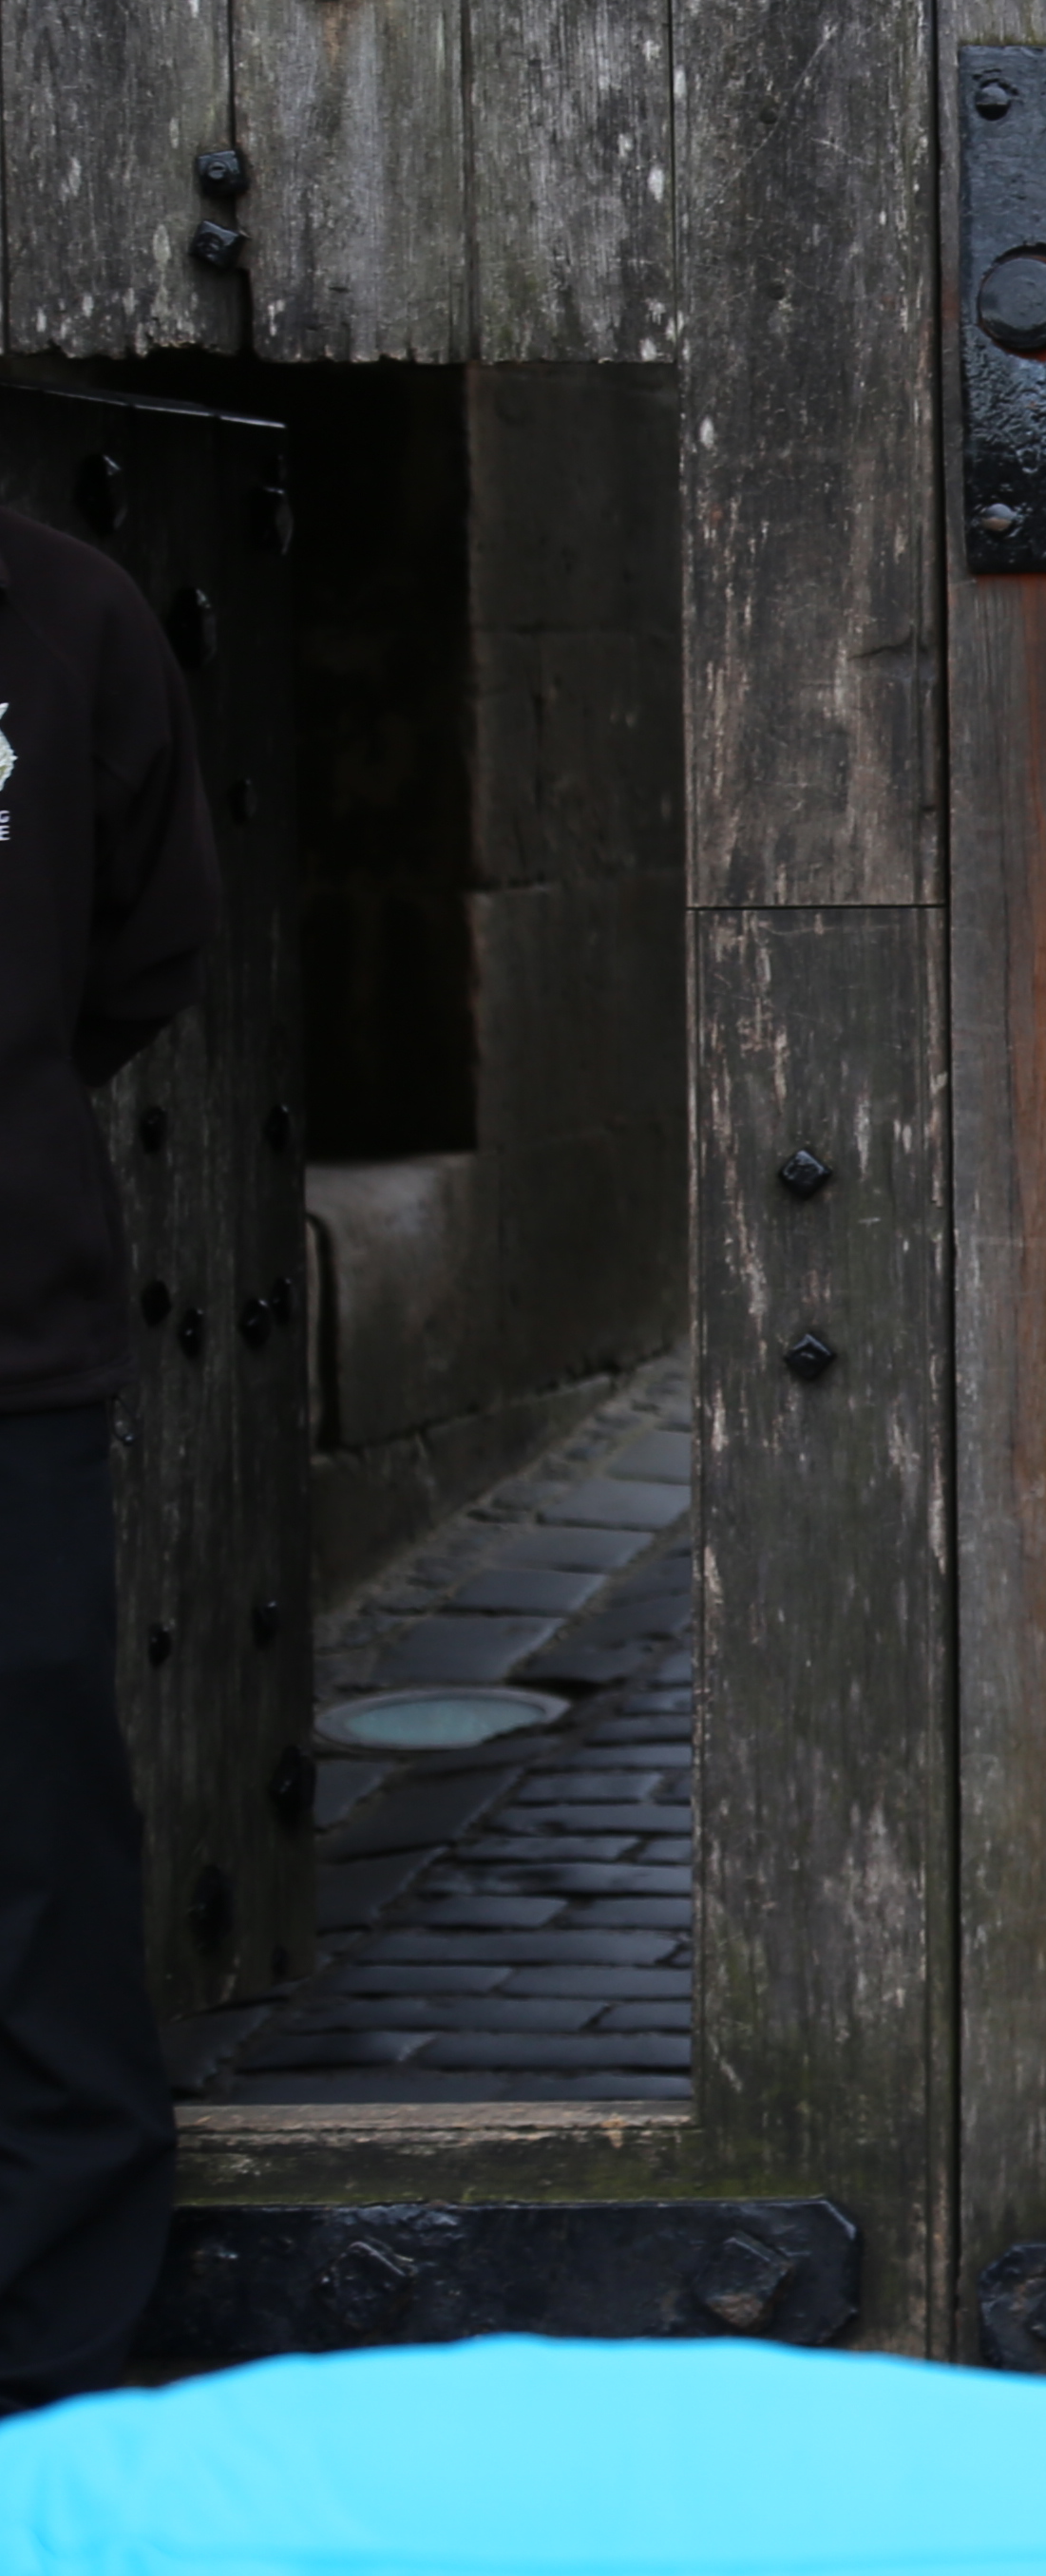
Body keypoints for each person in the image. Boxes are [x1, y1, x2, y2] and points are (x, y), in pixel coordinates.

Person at [0, 494, 221, 2413]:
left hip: (6, 1354)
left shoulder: (67, 616)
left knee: (34, 1850)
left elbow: (151, 941)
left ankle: (49, 2361)